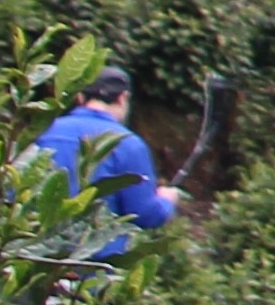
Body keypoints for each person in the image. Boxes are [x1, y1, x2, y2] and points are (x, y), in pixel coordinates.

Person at [34, 66, 180, 257]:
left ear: (80, 97)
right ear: (122, 98)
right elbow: (144, 214)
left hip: (37, 258)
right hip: (92, 267)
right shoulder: (128, 144)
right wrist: (166, 200)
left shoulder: (45, 131)